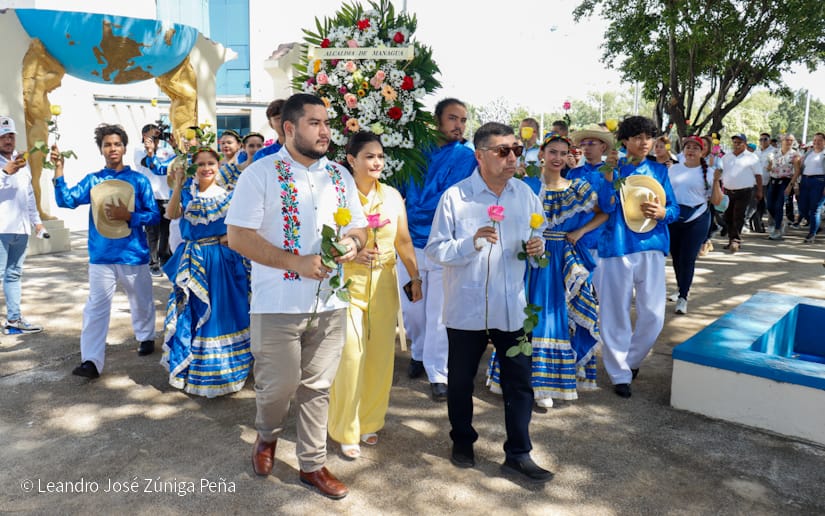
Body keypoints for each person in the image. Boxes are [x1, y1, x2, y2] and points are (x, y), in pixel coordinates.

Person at [225, 93, 367, 500]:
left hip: (331, 303)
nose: (325, 131)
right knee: (278, 388)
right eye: (315, 123)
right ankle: (267, 435)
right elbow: (237, 237)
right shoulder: (261, 174)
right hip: (277, 304)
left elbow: (359, 228)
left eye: (327, 123)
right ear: (289, 128)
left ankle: (312, 464)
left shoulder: (340, 175)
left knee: (317, 388)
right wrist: (296, 262)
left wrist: (354, 246)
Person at [426, 121, 553, 483]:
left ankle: (519, 453)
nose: (512, 157)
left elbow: (537, 232)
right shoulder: (456, 197)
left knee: (520, 383)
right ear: (480, 156)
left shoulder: (526, 195)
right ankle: (462, 441)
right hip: (465, 309)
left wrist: (536, 247)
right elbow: (436, 249)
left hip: (510, 306)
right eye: (503, 151)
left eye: (516, 149)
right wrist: (471, 243)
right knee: (461, 380)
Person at [487, 132, 607, 406]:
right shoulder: (525, 184)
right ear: (541, 154)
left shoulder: (577, 187)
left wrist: (579, 230)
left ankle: (543, 383)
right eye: (552, 152)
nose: (558, 158)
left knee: (551, 314)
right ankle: (518, 377)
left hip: (559, 257)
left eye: (563, 153)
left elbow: (603, 212)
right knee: (519, 312)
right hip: (527, 255)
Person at [327, 131, 422, 459]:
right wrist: (349, 252)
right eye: (369, 156)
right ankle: (344, 428)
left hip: (384, 282)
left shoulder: (393, 196)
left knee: (381, 356)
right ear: (351, 160)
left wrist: (415, 276)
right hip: (347, 285)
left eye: (380, 156)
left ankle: (370, 421)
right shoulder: (336, 195)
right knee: (351, 356)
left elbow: (404, 240)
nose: (377, 162)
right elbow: (322, 238)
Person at [52, 124, 160, 378]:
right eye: (107, 145)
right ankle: (91, 361)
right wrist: (59, 171)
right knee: (95, 308)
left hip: (133, 254)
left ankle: (146, 336)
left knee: (141, 301)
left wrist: (129, 216)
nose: (113, 149)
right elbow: (66, 200)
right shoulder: (94, 180)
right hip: (101, 255)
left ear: (124, 147)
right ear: (101, 149)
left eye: (117, 144)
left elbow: (154, 216)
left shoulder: (139, 180)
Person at [593, 116, 678, 398]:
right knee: (614, 312)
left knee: (653, 315)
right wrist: (609, 176)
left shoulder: (659, 170)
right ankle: (619, 374)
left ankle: (630, 361)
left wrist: (664, 214)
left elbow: (675, 209)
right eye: (638, 137)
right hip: (615, 247)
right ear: (625, 141)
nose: (644, 142)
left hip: (652, 246)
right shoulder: (611, 170)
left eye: (649, 137)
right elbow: (604, 205)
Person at [398, 98, 477, 402]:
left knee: (440, 314)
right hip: (409, 242)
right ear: (437, 121)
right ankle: (418, 352)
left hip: (446, 242)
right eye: (453, 118)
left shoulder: (467, 157)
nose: (459, 125)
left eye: (463, 119)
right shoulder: (412, 153)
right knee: (414, 310)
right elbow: (399, 193)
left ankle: (437, 372)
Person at [160, 141, 252, 397]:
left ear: (219, 165)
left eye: (211, 163)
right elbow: (170, 213)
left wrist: (229, 237)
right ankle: (195, 367)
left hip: (223, 262)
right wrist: (177, 184)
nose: (206, 168)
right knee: (195, 312)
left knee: (224, 313)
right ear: (193, 168)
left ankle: (227, 368)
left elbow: (245, 224)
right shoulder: (188, 195)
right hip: (195, 261)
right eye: (200, 164)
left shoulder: (229, 195)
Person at [667, 136, 723, 315]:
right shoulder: (673, 169)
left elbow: (716, 200)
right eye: (687, 147)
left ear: (702, 151)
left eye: (695, 148)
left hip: (697, 217)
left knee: (688, 258)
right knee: (676, 257)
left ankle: (683, 296)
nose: (690, 151)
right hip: (675, 217)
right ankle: (680, 287)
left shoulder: (710, 171)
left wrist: (715, 181)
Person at [0, 116, 44, 334]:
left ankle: (14, 319)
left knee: (14, 275)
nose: (8, 140)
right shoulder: (6, 165)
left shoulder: (20, 160)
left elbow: (28, 195)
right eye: (3, 136)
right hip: (1, 230)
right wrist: (4, 173)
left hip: (21, 229)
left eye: (11, 136)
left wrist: (36, 222)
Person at [568, 124, 618, 259]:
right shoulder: (573, 173)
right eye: (583, 144)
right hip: (573, 240)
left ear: (603, 147)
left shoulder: (612, 173)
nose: (586, 148)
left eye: (591, 143)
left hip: (600, 241)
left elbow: (608, 208)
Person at [134, 124, 172, 276]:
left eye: (157, 136)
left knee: (166, 231)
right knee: (152, 232)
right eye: (152, 137)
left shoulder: (167, 151)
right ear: (144, 136)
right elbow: (148, 164)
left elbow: (173, 165)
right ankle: (153, 263)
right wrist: (150, 151)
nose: (156, 140)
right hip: (149, 198)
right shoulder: (138, 151)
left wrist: (175, 146)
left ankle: (165, 259)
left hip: (166, 196)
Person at [720, 134, 763, 253]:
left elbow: (758, 175)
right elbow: (720, 172)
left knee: (738, 215)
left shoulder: (752, 157)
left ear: (745, 143)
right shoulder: (726, 157)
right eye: (734, 142)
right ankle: (731, 239)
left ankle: (736, 240)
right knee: (728, 216)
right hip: (728, 191)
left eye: (739, 142)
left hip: (745, 191)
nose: (737, 144)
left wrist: (760, 190)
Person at [765, 134, 801, 241]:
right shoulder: (774, 152)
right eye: (787, 140)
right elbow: (769, 168)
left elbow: (797, 171)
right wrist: (769, 166)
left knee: (779, 205)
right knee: (770, 205)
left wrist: (791, 185)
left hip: (785, 181)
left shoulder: (795, 154)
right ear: (782, 140)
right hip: (773, 180)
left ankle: (777, 229)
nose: (788, 142)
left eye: (791, 140)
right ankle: (779, 222)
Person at [792, 132, 825, 243]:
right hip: (805, 181)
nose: (816, 143)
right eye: (815, 140)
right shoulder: (809, 153)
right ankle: (816, 226)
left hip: (819, 182)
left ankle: (811, 234)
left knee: (815, 209)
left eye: (819, 140)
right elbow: (801, 166)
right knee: (802, 208)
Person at [251, 99, 285, 163]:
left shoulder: (306, 150)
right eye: (278, 118)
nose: (283, 122)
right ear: (270, 124)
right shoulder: (262, 155)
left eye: (286, 117)